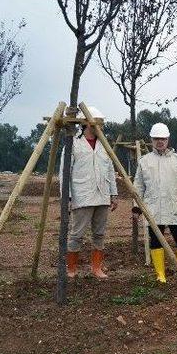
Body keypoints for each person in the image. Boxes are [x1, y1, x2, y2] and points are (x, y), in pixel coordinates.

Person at [133, 123, 177, 284]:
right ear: (152, 140)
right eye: (156, 139)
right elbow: (138, 186)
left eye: (162, 139)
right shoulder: (145, 161)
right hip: (153, 208)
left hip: (175, 206)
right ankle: (160, 274)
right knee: (156, 240)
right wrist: (136, 207)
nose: (160, 142)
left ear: (168, 139)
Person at [62, 106, 118, 279]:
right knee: (76, 234)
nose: (100, 127)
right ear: (87, 124)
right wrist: (68, 197)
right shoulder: (73, 144)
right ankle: (71, 269)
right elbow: (65, 172)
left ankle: (96, 268)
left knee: (99, 234)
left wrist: (113, 194)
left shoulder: (104, 145)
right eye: (97, 123)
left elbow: (110, 170)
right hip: (82, 195)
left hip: (102, 195)